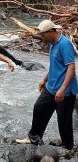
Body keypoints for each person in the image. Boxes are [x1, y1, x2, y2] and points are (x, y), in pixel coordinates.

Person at [28, 20, 78, 150]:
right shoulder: (52, 44)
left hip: (65, 91)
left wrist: (62, 89)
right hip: (51, 87)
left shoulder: (65, 44)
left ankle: (68, 147)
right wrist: (44, 80)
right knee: (39, 108)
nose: (42, 38)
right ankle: (35, 137)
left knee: (64, 121)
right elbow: (54, 66)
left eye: (44, 35)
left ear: (51, 32)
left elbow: (71, 67)